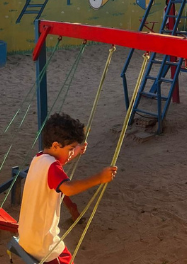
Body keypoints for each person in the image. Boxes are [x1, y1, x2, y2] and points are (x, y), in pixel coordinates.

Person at [15, 113, 117, 264]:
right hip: (42, 245)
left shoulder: (39, 159)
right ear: (56, 145)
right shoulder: (52, 167)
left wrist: (76, 150)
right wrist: (99, 178)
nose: (71, 153)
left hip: (26, 237)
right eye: (71, 149)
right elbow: (68, 189)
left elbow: (58, 162)